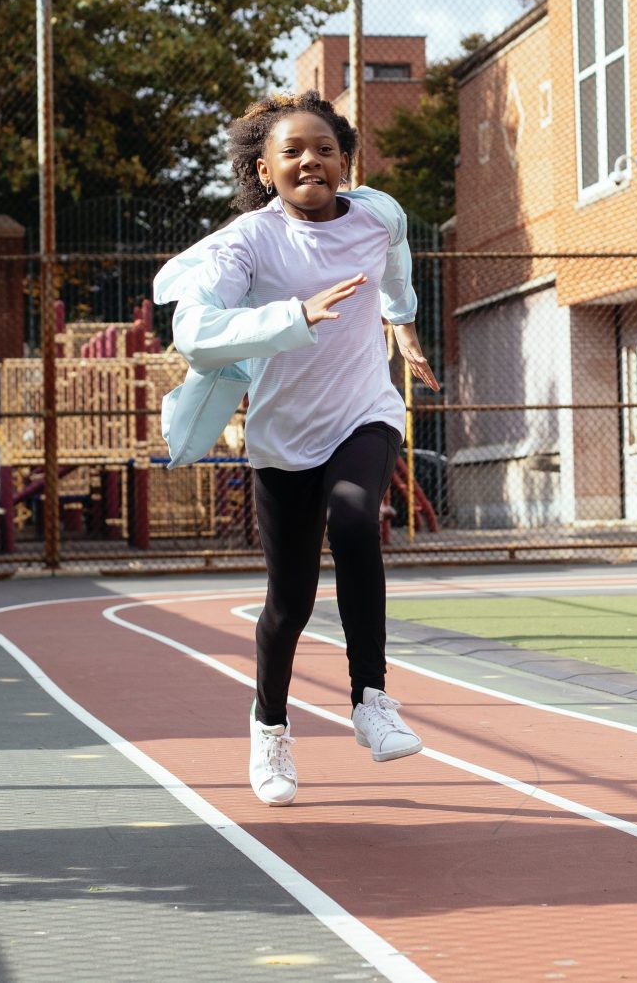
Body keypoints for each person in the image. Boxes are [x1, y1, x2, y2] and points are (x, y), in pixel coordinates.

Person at [154, 90, 439, 806]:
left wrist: (402, 323)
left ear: (346, 159)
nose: (310, 159)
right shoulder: (249, 242)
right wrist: (292, 316)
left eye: (324, 148)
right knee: (289, 603)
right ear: (263, 169)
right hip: (283, 439)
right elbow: (194, 332)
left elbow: (396, 261)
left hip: (363, 413)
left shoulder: (378, 214)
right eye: (292, 152)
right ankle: (270, 726)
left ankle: (371, 700)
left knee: (354, 521)